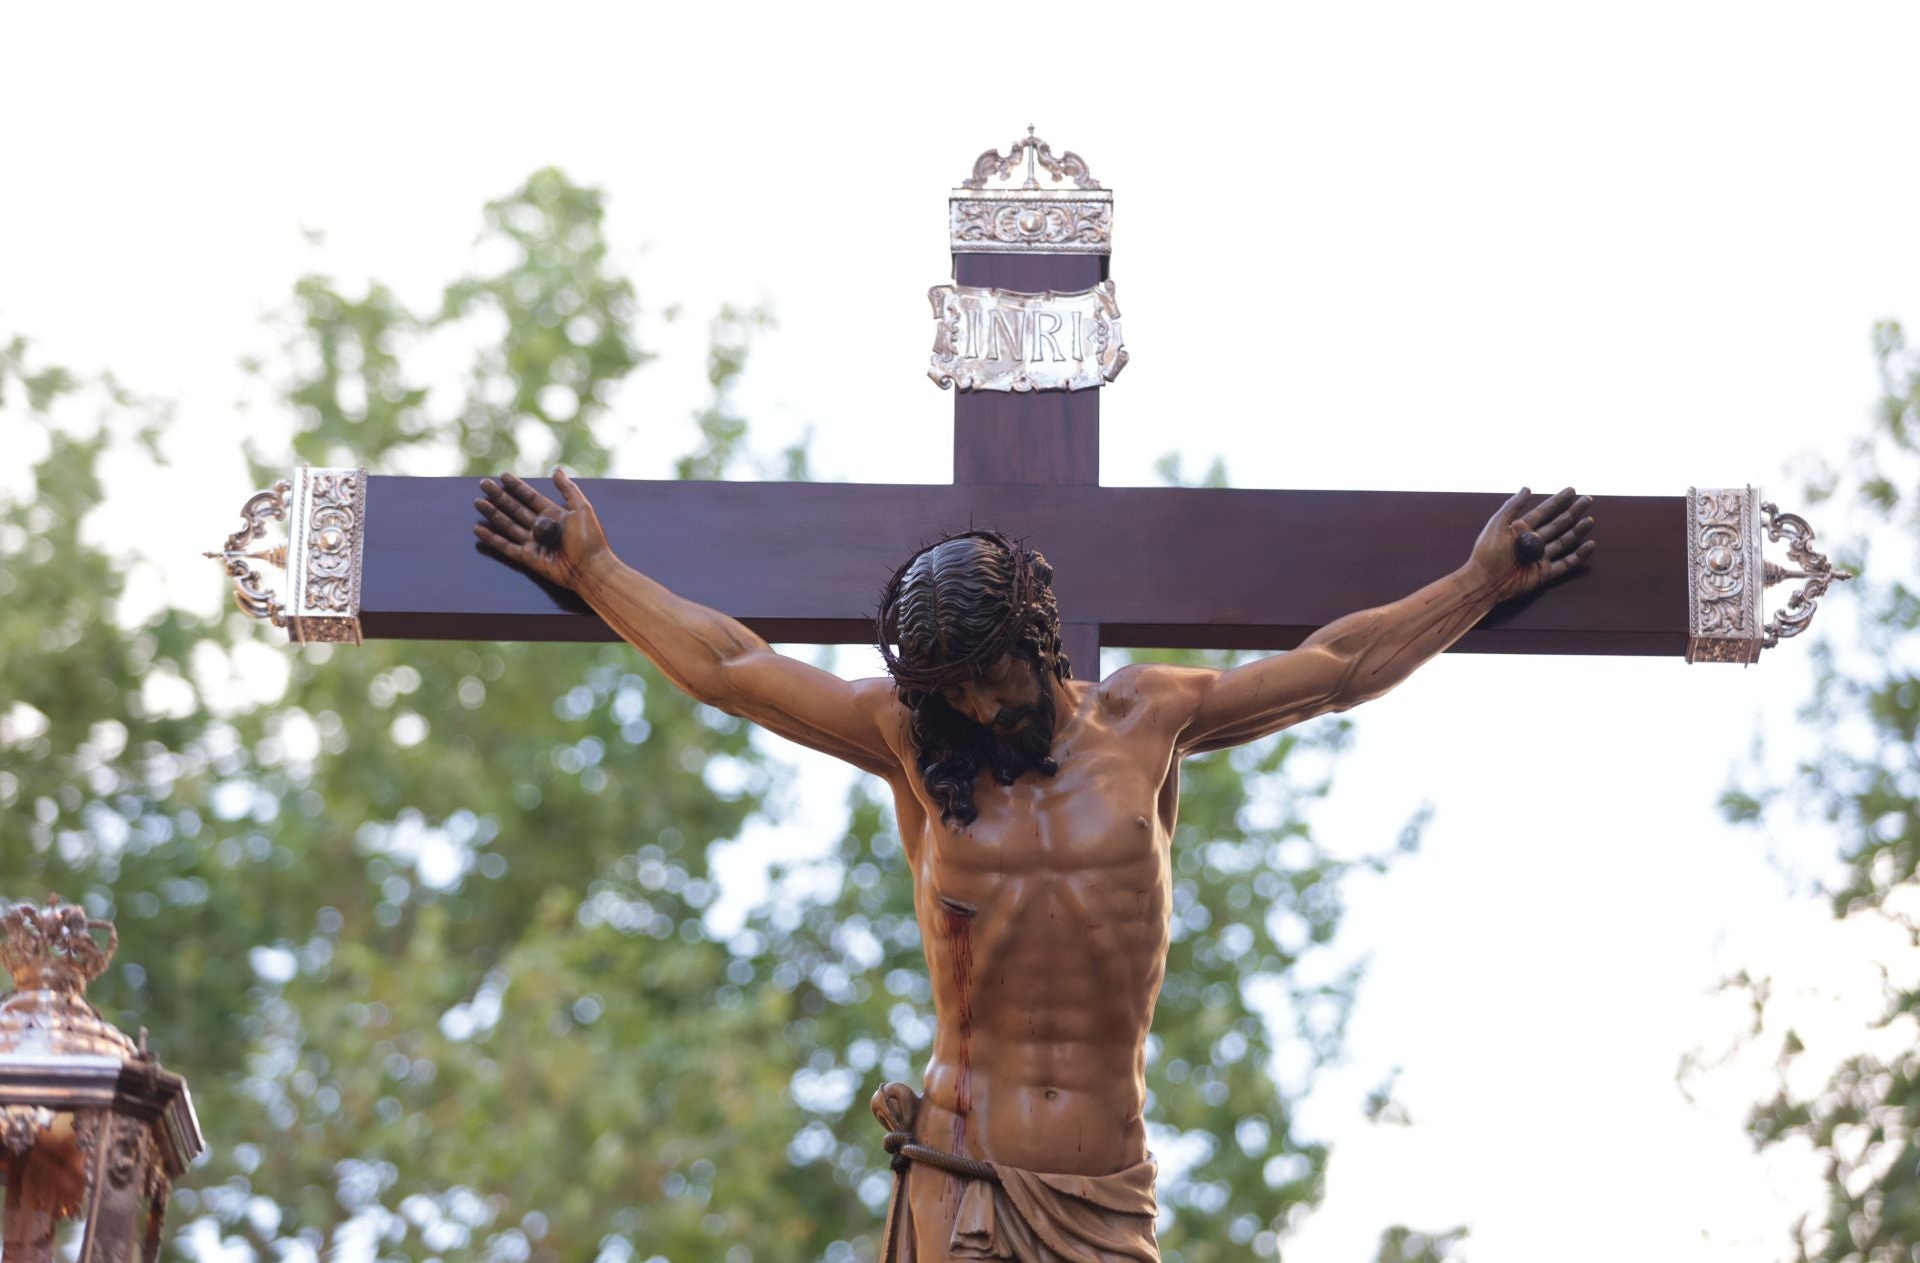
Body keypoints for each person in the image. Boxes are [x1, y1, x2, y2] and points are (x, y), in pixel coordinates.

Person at [473, 472, 1595, 1262]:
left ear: (1040, 636)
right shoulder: (915, 745)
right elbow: (735, 666)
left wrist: (1478, 585)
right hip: (963, 1176)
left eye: (987, 672)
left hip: (1103, 1191)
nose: (973, 702)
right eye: (947, 683)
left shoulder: (1150, 715)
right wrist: (600, 572)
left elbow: (1334, 667)